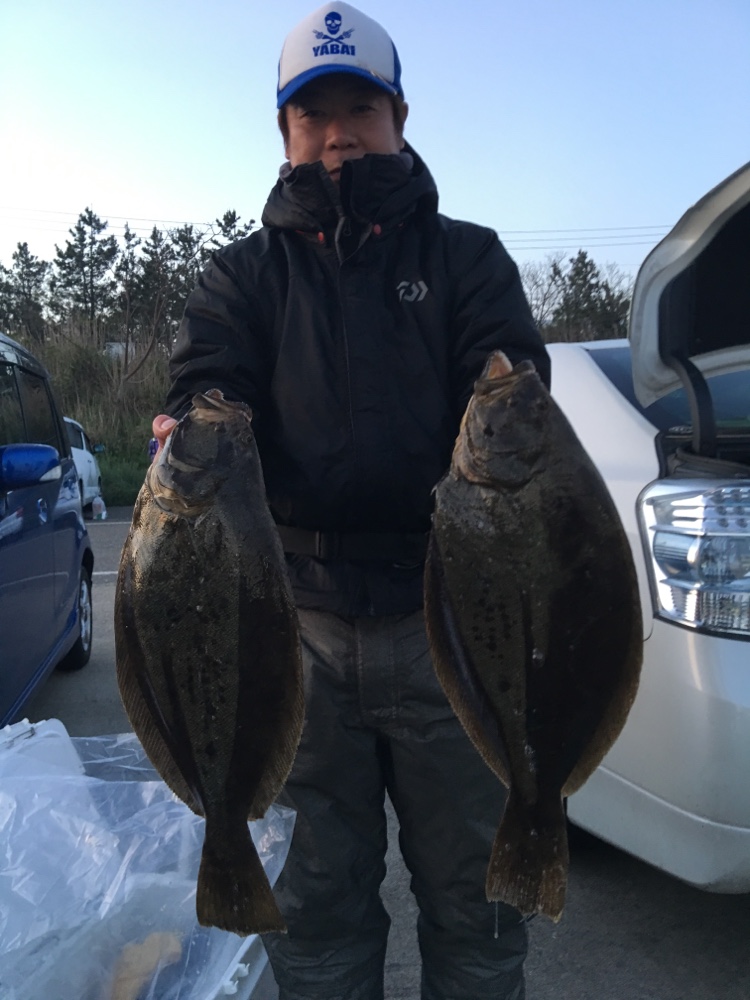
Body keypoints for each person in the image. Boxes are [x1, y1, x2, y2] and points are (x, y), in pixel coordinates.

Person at [152, 4, 551, 998]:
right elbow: (208, 375)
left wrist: (506, 378)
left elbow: (510, 376)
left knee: (479, 910)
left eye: (361, 109)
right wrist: (200, 417)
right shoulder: (240, 275)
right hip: (291, 632)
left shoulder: (468, 259)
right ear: (284, 132)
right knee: (317, 917)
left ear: (399, 118)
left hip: (448, 622)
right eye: (314, 113)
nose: (339, 134)